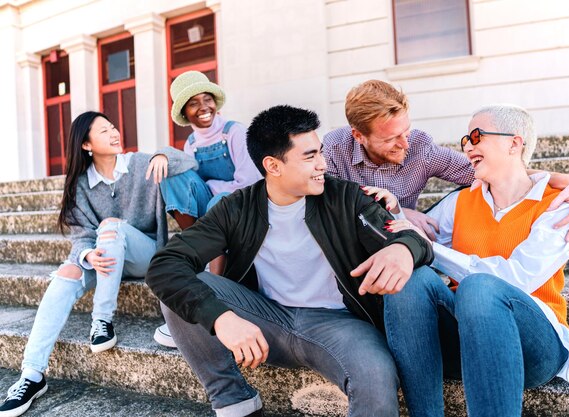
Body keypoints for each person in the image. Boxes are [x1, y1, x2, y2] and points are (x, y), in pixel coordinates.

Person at [145, 105, 434, 417]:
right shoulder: (236, 208)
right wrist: (221, 318)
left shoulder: (346, 198)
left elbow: (414, 239)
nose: (323, 164)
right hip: (266, 318)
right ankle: (234, 401)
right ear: (273, 165)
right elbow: (165, 264)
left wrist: (404, 249)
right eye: (310, 156)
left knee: (375, 375)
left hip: (340, 326)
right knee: (182, 289)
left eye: (321, 153)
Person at [381, 104, 569, 417]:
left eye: (476, 136)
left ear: (514, 143)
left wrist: (431, 249)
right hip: (467, 339)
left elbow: (516, 277)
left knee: (480, 287)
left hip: (534, 344)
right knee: (412, 277)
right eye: (465, 140)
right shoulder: (461, 200)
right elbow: (413, 240)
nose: (467, 146)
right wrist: (401, 215)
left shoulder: (560, 205)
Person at [0, 111, 197, 417]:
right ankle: (31, 375)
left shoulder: (138, 163)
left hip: (145, 257)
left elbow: (188, 162)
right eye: (104, 131)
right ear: (86, 145)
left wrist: (162, 154)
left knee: (112, 226)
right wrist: (86, 256)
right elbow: (81, 238)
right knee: (66, 272)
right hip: (104, 259)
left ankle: (102, 320)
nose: (115, 133)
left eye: (113, 127)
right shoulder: (80, 185)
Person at [323, 79, 569, 243]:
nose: (405, 143)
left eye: (406, 131)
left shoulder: (420, 147)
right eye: (392, 139)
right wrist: (399, 212)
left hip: (404, 241)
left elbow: (492, 170)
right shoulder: (334, 149)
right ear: (358, 135)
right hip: (353, 241)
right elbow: (332, 211)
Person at [154, 71, 262, 347]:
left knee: (218, 203)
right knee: (173, 174)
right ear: (184, 112)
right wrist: (164, 154)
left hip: (242, 210)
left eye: (207, 99)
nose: (204, 108)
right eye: (194, 103)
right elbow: (190, 186)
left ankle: (214, 289)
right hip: (213, 216)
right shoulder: (190, 144)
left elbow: (249, 182)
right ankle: (197, 252)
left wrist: (213, 187)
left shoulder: (235, 132)